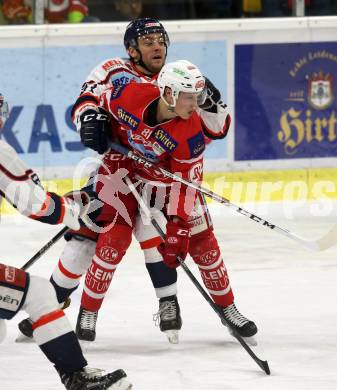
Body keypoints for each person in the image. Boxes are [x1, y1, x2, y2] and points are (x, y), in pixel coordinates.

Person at [79, 59, 258, 343]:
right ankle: (88, 312)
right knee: (112, 240)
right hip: (122, 174)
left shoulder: (190, 133)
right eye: (189, 97)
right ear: (169, 94)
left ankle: (228, 309)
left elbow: (185, 184)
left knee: (204, 244)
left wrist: (177, 224)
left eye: (198, 97)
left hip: (165, 184)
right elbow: (98, 106)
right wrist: (95, 125)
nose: (195, 104)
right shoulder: (130, 95)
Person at [2, 0, 88, 24]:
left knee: (92, 22)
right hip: (33, 33)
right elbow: (10, 9)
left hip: (64, 27)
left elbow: (77, 8)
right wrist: (30, 16)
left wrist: (71, 29)